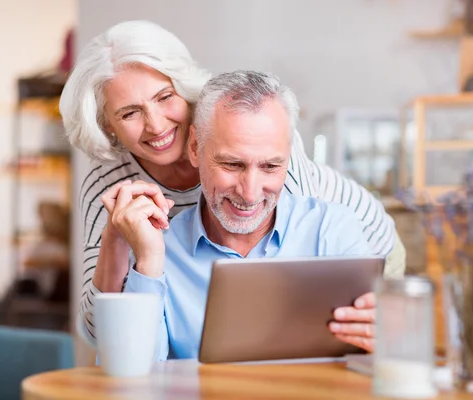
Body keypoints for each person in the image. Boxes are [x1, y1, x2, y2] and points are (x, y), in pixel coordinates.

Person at [58, 20, 406, 349]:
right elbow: (99, 330)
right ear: (108, 125)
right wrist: (117, 240)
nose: (156, 125)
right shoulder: (111, 183)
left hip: (369, 248)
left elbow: (287, 243)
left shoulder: (248, 134)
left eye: (165, 97)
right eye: (129, 113)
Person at [120, 70, 387, 359]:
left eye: (271, 167)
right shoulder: (160, 249)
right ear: (196, 148)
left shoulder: (331, 230)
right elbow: (133, 375)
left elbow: (372, 360)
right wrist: (148, 261)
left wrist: (381, 342)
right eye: (232, 164)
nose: (249, 193)